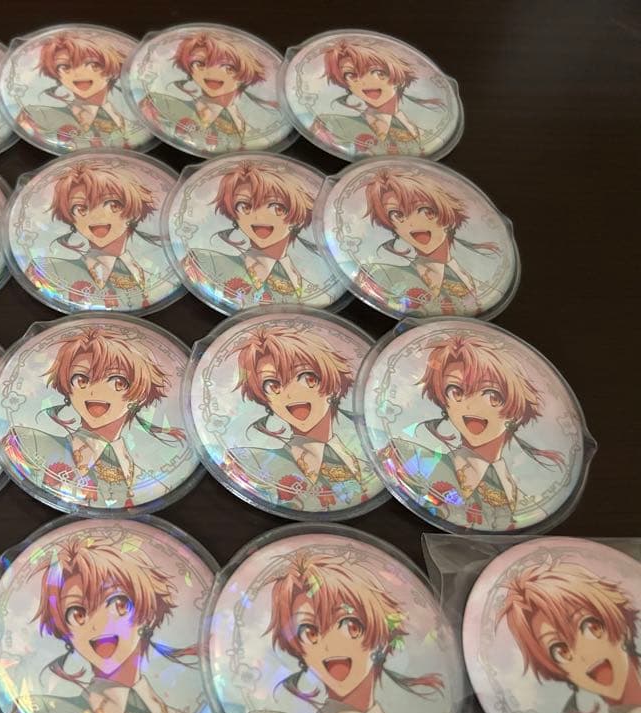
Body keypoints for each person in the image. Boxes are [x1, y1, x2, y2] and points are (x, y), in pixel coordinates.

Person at [243, 549, 445, 713]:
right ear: (299, 650)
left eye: (350, 625)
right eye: (310, 631)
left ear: (383, 637)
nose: (330, 646)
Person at [10, 536, 198, 713]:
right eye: (78, 613)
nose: (99, 625)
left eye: (118, 604)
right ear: (66, 632)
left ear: (148, 613)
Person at [379, 334, 565, 530]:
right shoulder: (411, 459)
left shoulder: (529, 499)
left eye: (492, 394)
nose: (471, 406)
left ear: (516, 411)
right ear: (445, 404)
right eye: (456, 391)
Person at [498, 557, 641, 713]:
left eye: (590, 627)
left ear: (621, 625)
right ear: (556, 670)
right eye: (560, 650)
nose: (583, 655)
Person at [1, 326, 185, 508]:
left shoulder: (152, 484)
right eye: (81, 379)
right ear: (67, 389)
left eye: (118, 381)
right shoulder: (29, 444)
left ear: (140, 395)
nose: (95, 391)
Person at [222, 326, 371, 511]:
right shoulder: (252, 463)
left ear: (335, 385)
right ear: (266, 401)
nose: (290, 394)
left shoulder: (374, 465)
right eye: (272, 384)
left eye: (306, 377)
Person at [183, 161, 331, 308]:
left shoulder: (320, 295)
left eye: (276, 207)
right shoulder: (205, 263)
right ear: (234, 217)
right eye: (245, 206)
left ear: (299, 219)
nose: (259, 217)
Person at [360, 169, 500, 315]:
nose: (412, 223)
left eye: (424, 210)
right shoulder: (382, 276)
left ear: (449, 216)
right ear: (393, 227)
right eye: (397, 214)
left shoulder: (484, 288)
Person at [25, 161, 160, 309]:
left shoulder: (156, 277)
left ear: (135, 212)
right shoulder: (49, 272)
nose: (96, 217)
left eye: (112, 204)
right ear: (71, 219)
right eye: (80, 208)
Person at [138, 32, 277, 152]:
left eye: (227, 67)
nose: (211, 73)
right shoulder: (163, 106)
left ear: (246, 75)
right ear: (189, 70)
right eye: (199, 64)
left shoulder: (258, 127)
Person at [310, 39, 445, 157]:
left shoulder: (430, 138)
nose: (364, 82)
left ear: (400, 78)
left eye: (376, 72)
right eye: (350, 75)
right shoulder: (332, 125)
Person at [16, 33, 132, 150]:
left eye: (92, 64)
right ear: (57, 75)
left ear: (114, 70)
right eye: (64, 67)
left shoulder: (134, 124)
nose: (77, 73)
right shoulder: (38, 117)